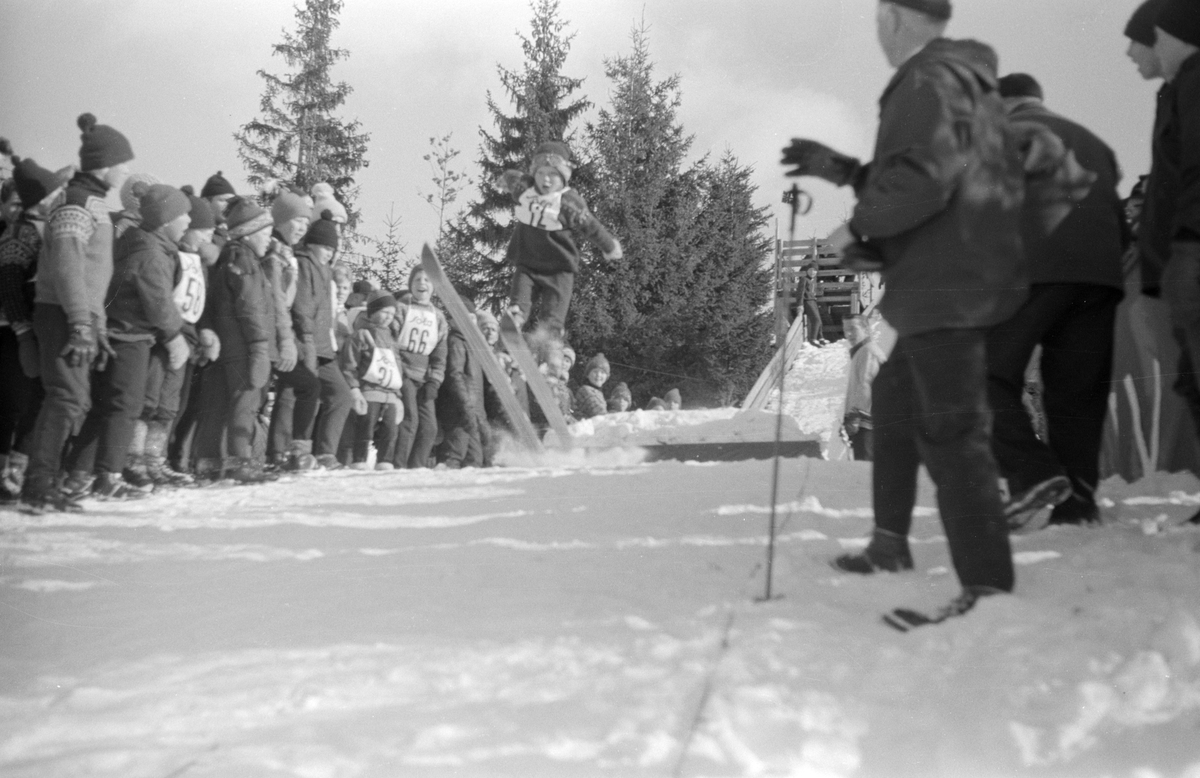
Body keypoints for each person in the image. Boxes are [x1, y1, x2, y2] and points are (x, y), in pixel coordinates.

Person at [781, 0, 1029, 616]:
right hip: (948, 275)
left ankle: (988, 585)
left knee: (952, 428)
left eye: (876, 20)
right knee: (890, 405)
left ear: (895, 17)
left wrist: (853, 232)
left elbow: (926, 178)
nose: (876, 33)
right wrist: (844, 171)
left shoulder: (928, 78)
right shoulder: (954, 79)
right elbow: (923, 171)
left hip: (949, 280)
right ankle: (890, 543)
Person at [986, 73, 1128, 527]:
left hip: (1030, 270)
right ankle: (1078, 505)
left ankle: (1031, 473)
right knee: (1077, 393)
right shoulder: (1094, 141)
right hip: (1100, 277)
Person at [21, 114, 133, 513]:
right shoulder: (76, 205)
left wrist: (95, 322)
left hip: (76, 315)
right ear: (104, 165)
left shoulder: (94, 204)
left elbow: (93, 275)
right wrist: (82, 323)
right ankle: (38, 484)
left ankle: (45, 479)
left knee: (74, 398)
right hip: (62, 314)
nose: (126, 170)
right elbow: (68, 269)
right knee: (66, 397)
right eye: (123, 163)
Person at [62, 183, 191, 499]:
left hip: (116, 333)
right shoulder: (151, 254)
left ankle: (77, 474)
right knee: (126, 408)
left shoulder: (140, 244)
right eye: (184, 215)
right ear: (165, 220)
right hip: (130, 336)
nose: (188, 222)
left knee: (105, 407)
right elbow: (158, 301)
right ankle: (109, 476)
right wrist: (176, 337)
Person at [496, 141, 623, 339]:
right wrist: (504, 180)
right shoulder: (525, 189)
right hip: (528, 264)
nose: (545, 181)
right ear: (533, 174)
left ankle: (549, 343)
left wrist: (609, 246)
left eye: (553, 175)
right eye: (540, 174)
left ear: (564, 177)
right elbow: (514, 177)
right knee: (519, 298)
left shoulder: (568, 202)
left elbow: (591, 226)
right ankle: (516, 317)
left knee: (553, 314)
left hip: (559, 267)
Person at [192, 197, 277, 483]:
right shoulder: (246, 261)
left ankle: (209, 462)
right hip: (244, 346)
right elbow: (251, 307)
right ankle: (242, 461)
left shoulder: (227, 257)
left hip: (226, 345)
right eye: (265, 234)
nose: (269, 240)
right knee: (246, 401)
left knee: (217, 404)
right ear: (250, 233)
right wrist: (260, 347)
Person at [0, 157, 60, 501]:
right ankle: (6, 471)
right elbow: (9, 284)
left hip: (36, 327)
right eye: (52, 193)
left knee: (37, 399)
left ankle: (18, 470)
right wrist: (22, 330)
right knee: (13, 402)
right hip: (14, 330)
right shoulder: (19, 232)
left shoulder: (43, 227)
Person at [265, 189, 321, 470]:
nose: (302, 228)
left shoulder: (286, 252)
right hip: (271, 337)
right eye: (298, 220)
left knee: (298, 387)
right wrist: (287, 341)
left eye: (306, 222)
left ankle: (285, 453)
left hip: (280, 335)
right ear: (282, 219)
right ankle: (289, 451)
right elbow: (276, 300)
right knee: (306, 385)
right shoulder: (273, 253)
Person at [294, 213, 353, 469]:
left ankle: (326, 452)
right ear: (312, 243)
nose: (329, 253)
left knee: (341, 394)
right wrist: (305, 340)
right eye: (325, 247)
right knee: (300, 396)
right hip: (306, 343)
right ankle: (295, 451)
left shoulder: (325, 271)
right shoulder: (304, 264)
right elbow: (303, 305)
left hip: (324, 347)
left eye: (333, 248)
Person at [340, 291, 404, 470]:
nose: (388, 318)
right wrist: (354, 388)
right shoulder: (361, 335)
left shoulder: (392, 339)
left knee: (390, 431)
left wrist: (398, 396)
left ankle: (385, 461)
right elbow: (349, 363)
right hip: (369, 391)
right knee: (365, 427)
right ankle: (359, 459)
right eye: (384, 312)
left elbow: (397, 369)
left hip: (390, 394)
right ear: (372, 311)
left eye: (391, 314)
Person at [391, 266, 447, 468]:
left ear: (433, 287)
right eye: (417, 280)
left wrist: (434, 381)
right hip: (403, 372)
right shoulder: (402, 308)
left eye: (427, 280)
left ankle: (417, 466)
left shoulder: (438, 317)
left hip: (424, 378)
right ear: (410, 284)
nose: (422, 284)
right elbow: (391, 341)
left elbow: (440, 353)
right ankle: (399, 465)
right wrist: (398, 372)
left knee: (430, 427)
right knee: (410, 420)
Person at [842, 314, 886, 461]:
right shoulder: (861, 352)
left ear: (866, 329)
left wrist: (855, 416)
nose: (848, 334)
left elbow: (866, 386)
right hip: (863, 425)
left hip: (867, 426)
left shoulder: (868, 352)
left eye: (853, 329)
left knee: (865, 471)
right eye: (845, 329)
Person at [796, 262, 825, 345]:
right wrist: (800, 304)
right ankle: (813, 339)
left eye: (815, 270)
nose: (813, 272)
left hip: (813, 301)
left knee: (819, 320)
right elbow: (800, 292)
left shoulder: (812, 281)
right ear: (807, 271)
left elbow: (811, 291)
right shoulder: (804, 279)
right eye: (811, 270)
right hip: (807, 301)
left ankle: (821, 338)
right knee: (816, 320)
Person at [574, 352, 610, 419]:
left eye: (602, 372)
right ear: (588, 374)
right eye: (595, 371)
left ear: (607, 377)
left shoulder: (599, 393)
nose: (598, 375)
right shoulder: (585, 390)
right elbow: (598, 412)